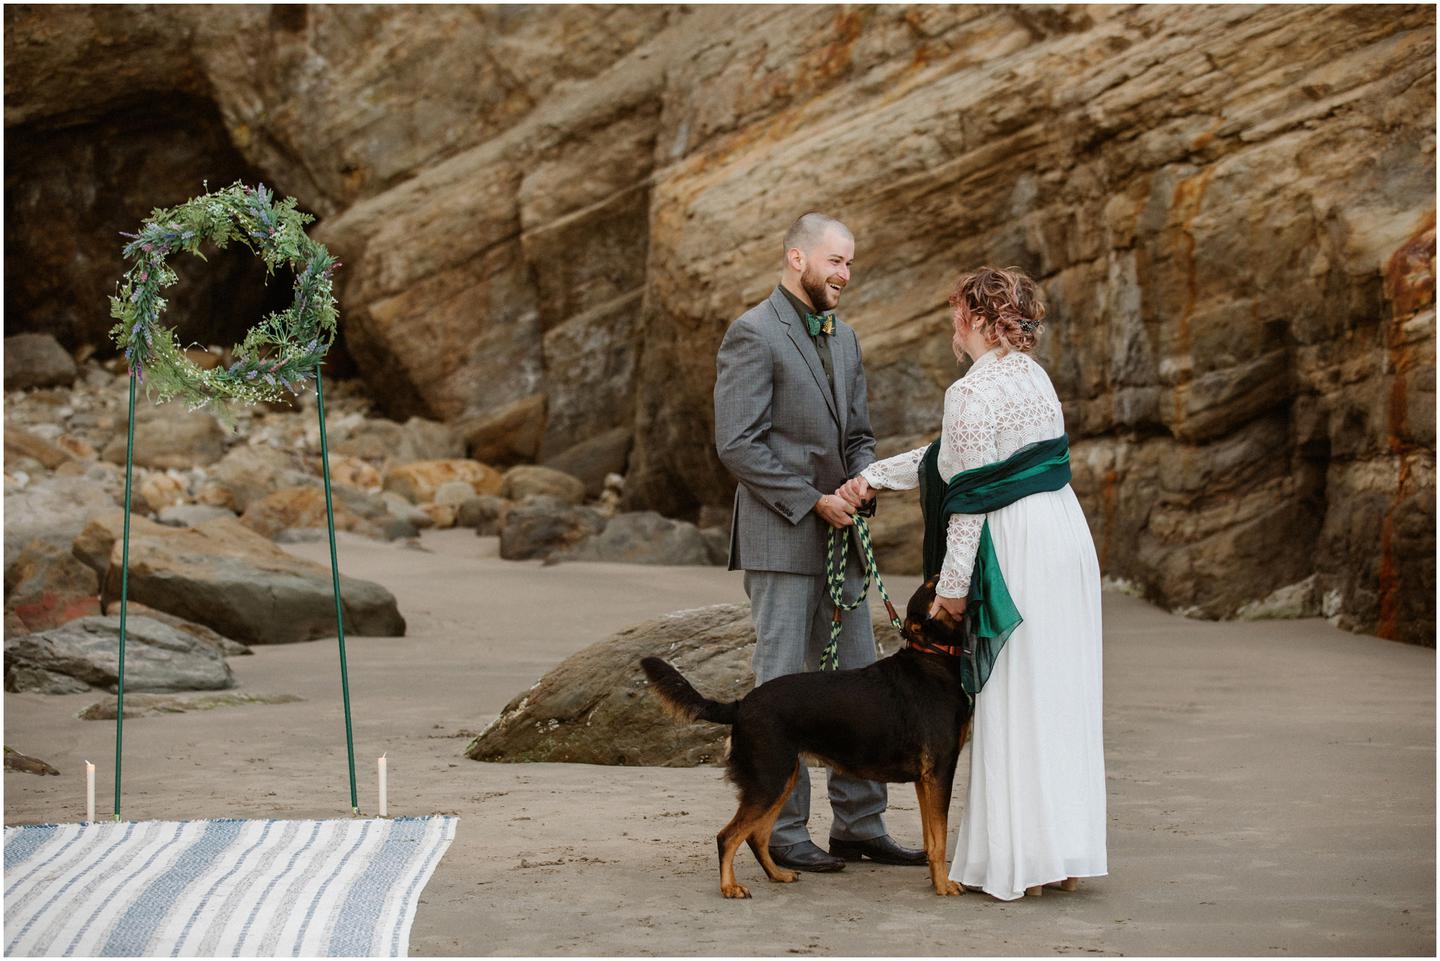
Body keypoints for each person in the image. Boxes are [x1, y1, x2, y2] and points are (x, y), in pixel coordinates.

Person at [838, 265, 1107, 900]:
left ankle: (1020, 862)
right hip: (1062, 535)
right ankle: (1060, 856)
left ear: (981, 320)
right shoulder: (1034, 379)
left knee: (1011, 693)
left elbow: (968, 497)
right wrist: (874, 476)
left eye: (960, 311)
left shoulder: (971, 391)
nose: (953, 323)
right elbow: (950, 459)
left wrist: (953, 588)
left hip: (1012, 545)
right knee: (1057, 692)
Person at [713, 212, 925, 873]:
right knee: (782, 688)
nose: (845, 274)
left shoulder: (847, 337)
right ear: (796, 257)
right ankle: (784, 829)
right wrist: (812, 500)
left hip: (844, 541)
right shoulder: (752, 334)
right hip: (781, 540)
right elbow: (737, 443)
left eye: (851, 263)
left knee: (864, 684)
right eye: (835, 261)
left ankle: (860, 825)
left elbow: (858, 433)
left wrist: (863, 479)